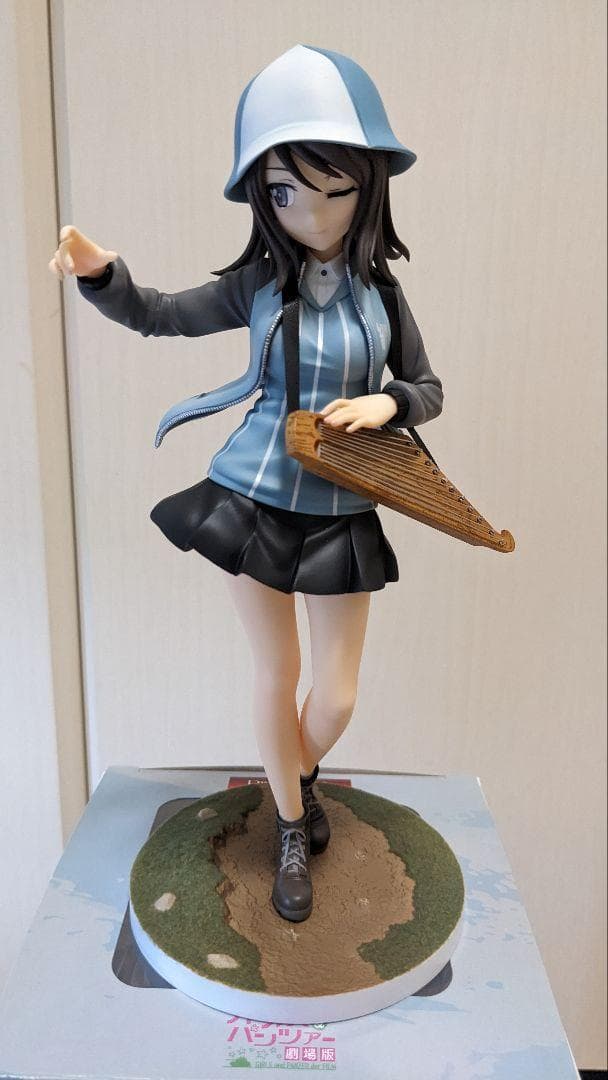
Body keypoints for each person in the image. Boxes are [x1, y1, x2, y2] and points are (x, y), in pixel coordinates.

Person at [48, 44, 443, 924]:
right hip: (253, 496)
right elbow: (158, 314)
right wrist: (100, 274)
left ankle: (290, 775)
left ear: (370, 187)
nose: (315, 212)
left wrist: (388, 403)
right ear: (263, 196)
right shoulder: (258, 284)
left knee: (336, 696)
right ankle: (292, 824)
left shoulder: (383, 297)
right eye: (288, 192)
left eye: (338, 190)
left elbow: (428, 387)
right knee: (277, 671)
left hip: (344, 505)